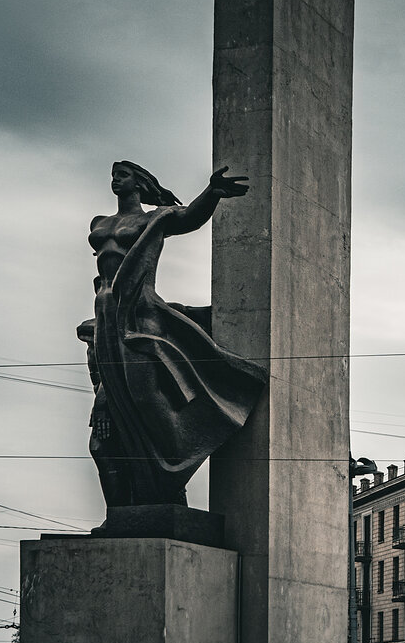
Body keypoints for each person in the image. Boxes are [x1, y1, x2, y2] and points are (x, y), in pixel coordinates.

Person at [77, 161, 266, 507]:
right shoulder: (99, 224)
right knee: (108, 422)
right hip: (106, 316)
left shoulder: (154, 219)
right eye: (112, 176)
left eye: (123, 175)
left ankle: (172, 473)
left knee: (150, 402)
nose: (115, 181)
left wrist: (211, 193)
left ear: (140, 183)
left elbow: (189, 217)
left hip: (140, 313)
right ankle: (124, 509)